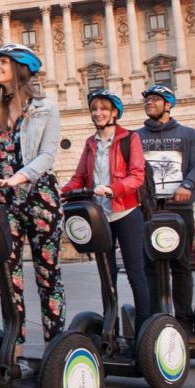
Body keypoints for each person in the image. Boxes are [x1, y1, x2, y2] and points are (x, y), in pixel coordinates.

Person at [0, 43, 64, 355]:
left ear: (20, 69)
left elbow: (47, 155)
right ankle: (14, 347)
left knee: (48, 275)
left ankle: (55, 346)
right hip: (5, 203)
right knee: (9, 276)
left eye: (3, 62)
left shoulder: (47, 107)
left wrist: (17, 177)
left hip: (40, 197)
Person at [62, 90, 150, 331]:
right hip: (99, 216)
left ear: (114, 113)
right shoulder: (91, 143)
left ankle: (145, 326)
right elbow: (80, 176)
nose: (98, 113)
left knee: (135, 271)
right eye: (94, 109)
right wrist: (63, 191)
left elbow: (137, 176)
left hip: (126, 211)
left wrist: (113, 189)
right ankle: (111, 325)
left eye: (103, 109)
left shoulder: (129, 139)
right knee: (106, 273)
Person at [136, 84, 195, 346]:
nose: (149, 103)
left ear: (168, 104)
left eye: (155, 99)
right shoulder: (137, 137)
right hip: (149, 208)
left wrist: (187, 186)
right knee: (151, 267)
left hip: (180, 209)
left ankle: (185, 321)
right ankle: (156, 320)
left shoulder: (188, 135)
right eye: (148, 100)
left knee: (181, 265)